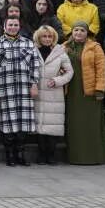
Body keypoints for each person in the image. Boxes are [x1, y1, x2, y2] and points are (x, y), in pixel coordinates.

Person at [0, 17, 42, 167]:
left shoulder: (28, 42)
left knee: (23, 123)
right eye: (10, 25)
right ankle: (10, 155)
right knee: (7, 122)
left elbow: (35, 65)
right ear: (4, 27)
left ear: (20, 26)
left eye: (15, 25)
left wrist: (34, 84)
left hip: (24, 88)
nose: (13, 27)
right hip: (5, 88)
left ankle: (20, 154)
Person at [63, 21, 105, 165]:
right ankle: (75, 157)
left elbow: (101, 70)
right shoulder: (64, 47)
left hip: (90, 93)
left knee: (91, 125)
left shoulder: (95, 48)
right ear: (72, 32)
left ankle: (94, 157)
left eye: (82, 30)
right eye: (76, 30)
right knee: (75, 126)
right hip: (71, 92)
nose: (79, 33)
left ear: (87, 33)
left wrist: (100, 89)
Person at [32, 25, 72, 165]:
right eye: (44, 36)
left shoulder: (60, 52)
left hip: (54, 94)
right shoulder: (32, 51)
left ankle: (51, 155)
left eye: (50, 36)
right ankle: (41, 155)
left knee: (53, 126)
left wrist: (57, 81)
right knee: (40, 125)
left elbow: (69, 72)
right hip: (38, 93)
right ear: (39, 37)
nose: (47, 39)